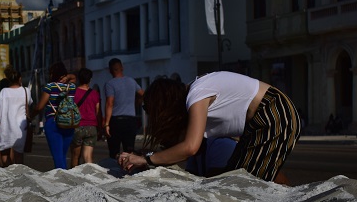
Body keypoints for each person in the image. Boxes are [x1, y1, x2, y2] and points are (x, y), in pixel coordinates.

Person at [118, 72, 301, 185]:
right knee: (238, 176)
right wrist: (141, 157)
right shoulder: (194, 95)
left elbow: (190, 147)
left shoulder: (197, 94)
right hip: (260, 121)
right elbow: (180, 146)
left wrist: (145, 159)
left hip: (273, 113)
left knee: (248, 183)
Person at [32, 61, 77, 170]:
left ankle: (62, 182)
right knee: (62, 155)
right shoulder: (71, 87)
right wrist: (68, 76)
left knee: (58, 158)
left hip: (54, 123)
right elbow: (74, 77)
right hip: (69, 124)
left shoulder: (50, 87)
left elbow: (39, 107)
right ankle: (65, 179)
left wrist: (30, 115)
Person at [0, 67, 32, 166]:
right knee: (19, 155)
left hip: (6, 127)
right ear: (20, 79)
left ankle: (8, 172)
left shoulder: (4, 92)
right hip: (21, 128)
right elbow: (29, 103)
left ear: (9, 80)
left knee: (4, 153)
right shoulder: (26, 91)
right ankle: (19, 176)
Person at [104, 58, 144, 158]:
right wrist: (137, 103)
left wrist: (106, 124)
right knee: (129, 151)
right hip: (130, 120)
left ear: (110, 70)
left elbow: (110, 103)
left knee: (114, 152)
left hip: (116, 121)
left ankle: (113, 171)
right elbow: (143, 94)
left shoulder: (110, 84)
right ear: (122, 67)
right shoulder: (131, 81)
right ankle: (129, 171)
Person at [69, 68, 103, 168]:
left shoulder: (73, 93)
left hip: (77, 127)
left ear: (79, 79)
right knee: (88, 157)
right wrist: (100, 128)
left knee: (75, 156)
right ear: (90, 79)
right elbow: (98, 112)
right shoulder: (95, 94)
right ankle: (90, 177)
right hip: (92, 127)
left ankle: (75, 178)